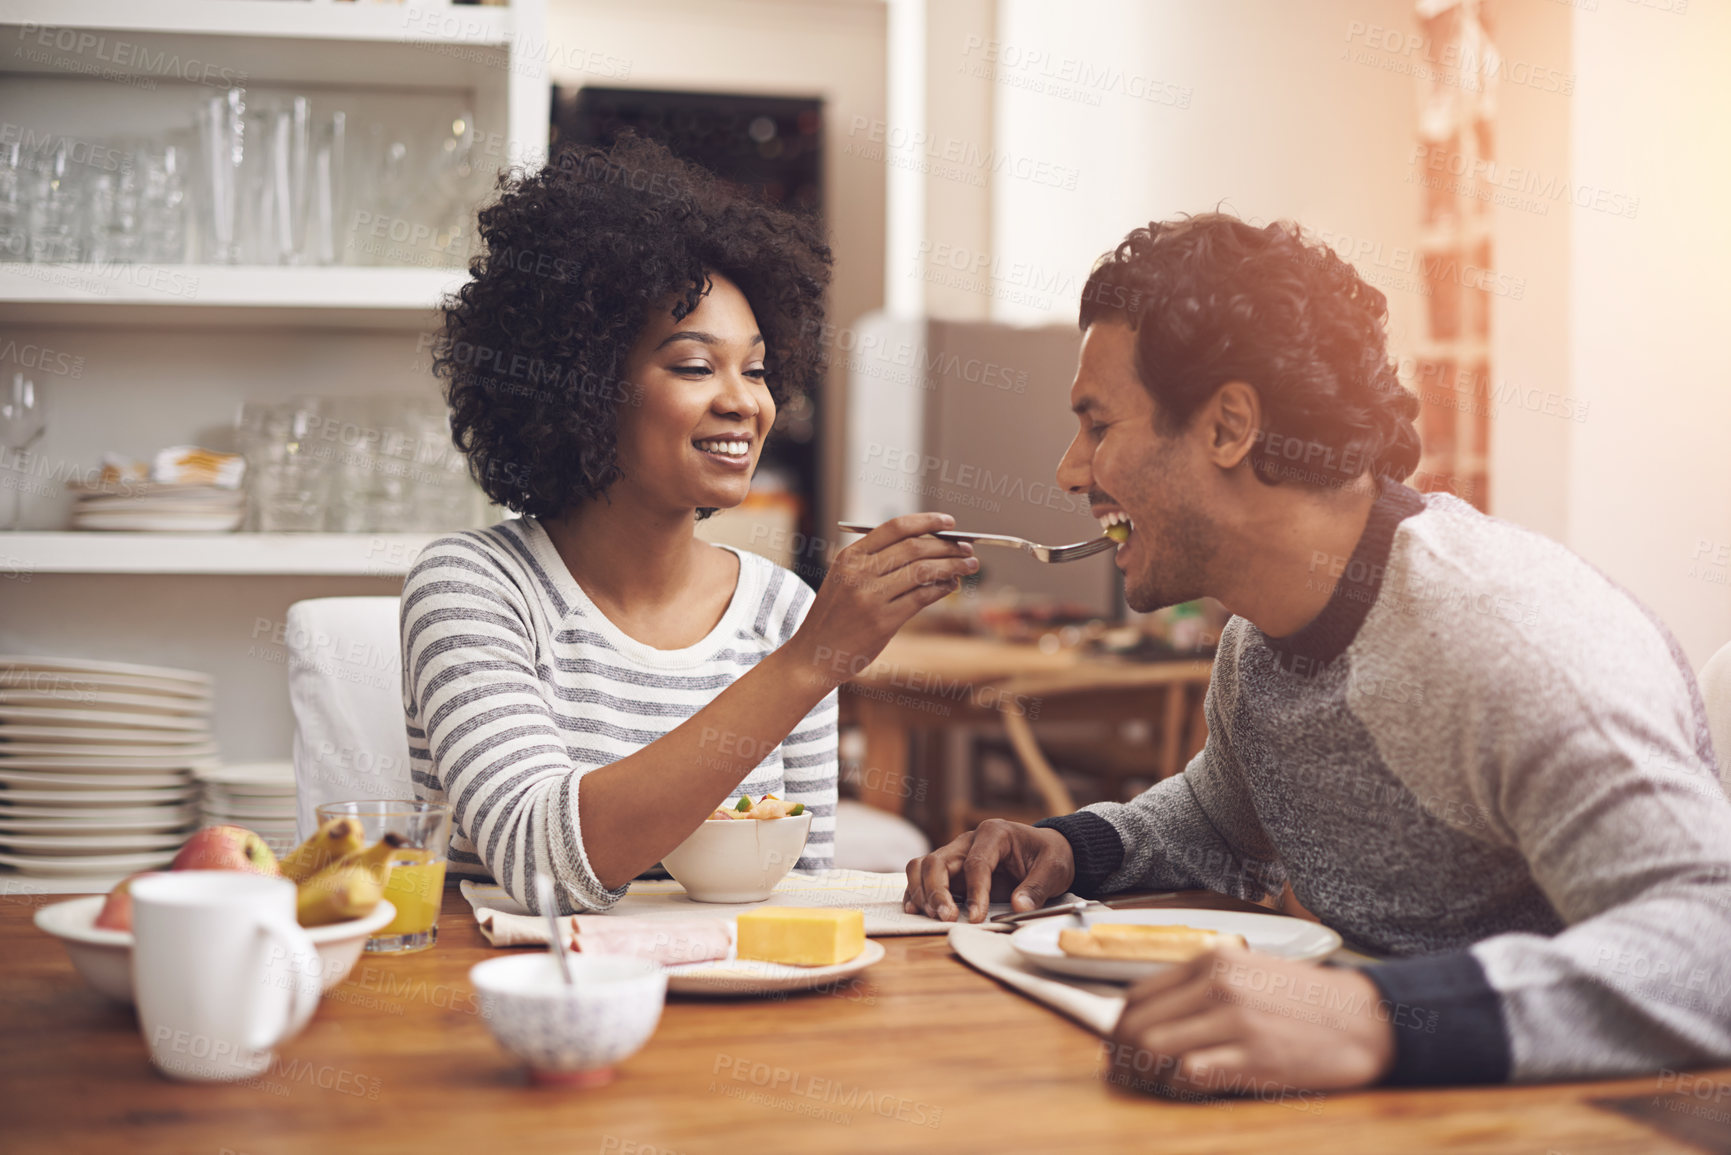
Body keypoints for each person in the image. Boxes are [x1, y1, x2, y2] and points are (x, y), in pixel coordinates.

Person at [904, 213, 1731, 1094]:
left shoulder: (1511, 638)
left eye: (1096, 424)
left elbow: (1709, 944)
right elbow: (1222, 822)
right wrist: (1071, 847)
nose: (1071, 470)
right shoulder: (1257, 638)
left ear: (1228, 426)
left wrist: (1374, 1016)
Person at [403, 134, 976, 913]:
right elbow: (543, 864)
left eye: (759, 368)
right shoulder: (475, 588)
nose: (745, 401)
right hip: (528, 1010)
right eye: (695, 366)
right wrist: (812, 661)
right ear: (585, 385)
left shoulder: (780, 611)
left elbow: (795, 897)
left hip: (729, 1007)